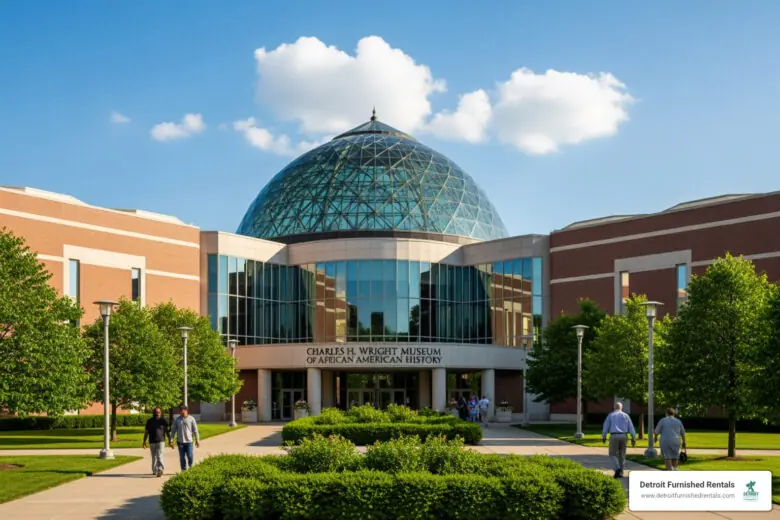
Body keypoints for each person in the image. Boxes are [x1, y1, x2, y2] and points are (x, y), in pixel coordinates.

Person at [601, 402, 636, 478]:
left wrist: (604, 436)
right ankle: (621, 472)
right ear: (621, 407)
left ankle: (617, 468)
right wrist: (633, 437)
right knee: (622, 454)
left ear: (614, 407)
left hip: (614, 436)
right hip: (624, 436)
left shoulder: (611, 415)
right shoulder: (626, 415)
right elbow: (631, 427)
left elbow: (606, 426)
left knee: (612, 454)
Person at [169, 405, 200, 471]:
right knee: (182, 458)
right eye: (181, 410)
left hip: (189, 442)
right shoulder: (177, 420)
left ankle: (190, 466)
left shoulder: (191, 419)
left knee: (190, 456)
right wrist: (171, 440)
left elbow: (195, 430)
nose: (182, 412)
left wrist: (197, 440)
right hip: (180, 442)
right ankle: (183, 470)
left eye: (183, 410)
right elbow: (173, 431)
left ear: (186, 411)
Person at [142, 407, 170, 477]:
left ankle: (160, 470)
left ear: (161, 413)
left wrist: (170, 440)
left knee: (160, 455)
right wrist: (144, 441)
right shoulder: (149, 421)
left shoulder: (163, 421)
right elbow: (146, 432)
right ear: (153, 413)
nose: (157, 413)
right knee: (154, 457)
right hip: (152, 441)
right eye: (156, 412)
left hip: (161, 441)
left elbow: (166, 431)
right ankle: (154, 470)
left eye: (159, 412)